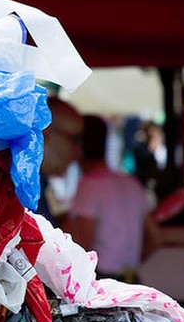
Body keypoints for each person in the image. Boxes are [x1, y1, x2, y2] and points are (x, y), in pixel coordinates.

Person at [69, 114, 160, 282]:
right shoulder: (131, 183)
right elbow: (155, 239)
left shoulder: (89, 186)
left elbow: (82, 248)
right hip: (132, 279)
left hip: (102, 281)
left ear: (78, 146)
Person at [39, 95, 84, 226]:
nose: (78, 151)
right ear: (45, 133)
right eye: (74, 140)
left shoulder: (34, 185)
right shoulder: (15, 187)